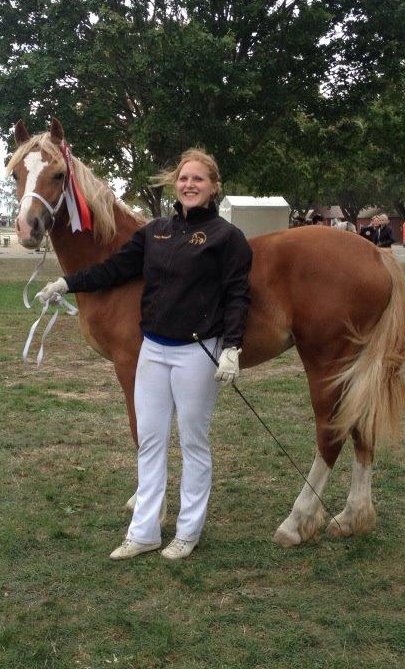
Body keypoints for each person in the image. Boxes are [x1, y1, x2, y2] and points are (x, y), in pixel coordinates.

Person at [36, 148, 253, 561]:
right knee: (150, 443)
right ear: (176, 184)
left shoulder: (228, 238)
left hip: (196, 351)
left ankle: (188, 531)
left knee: (193, 443)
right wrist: (68, 283)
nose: (189, 185)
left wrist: (232, 347)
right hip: (153, 348)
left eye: (198, 179)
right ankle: (145, 532)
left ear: (213, 187)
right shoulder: (156, 231)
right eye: (184, 178)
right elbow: (113, 269)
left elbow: (237, 295)